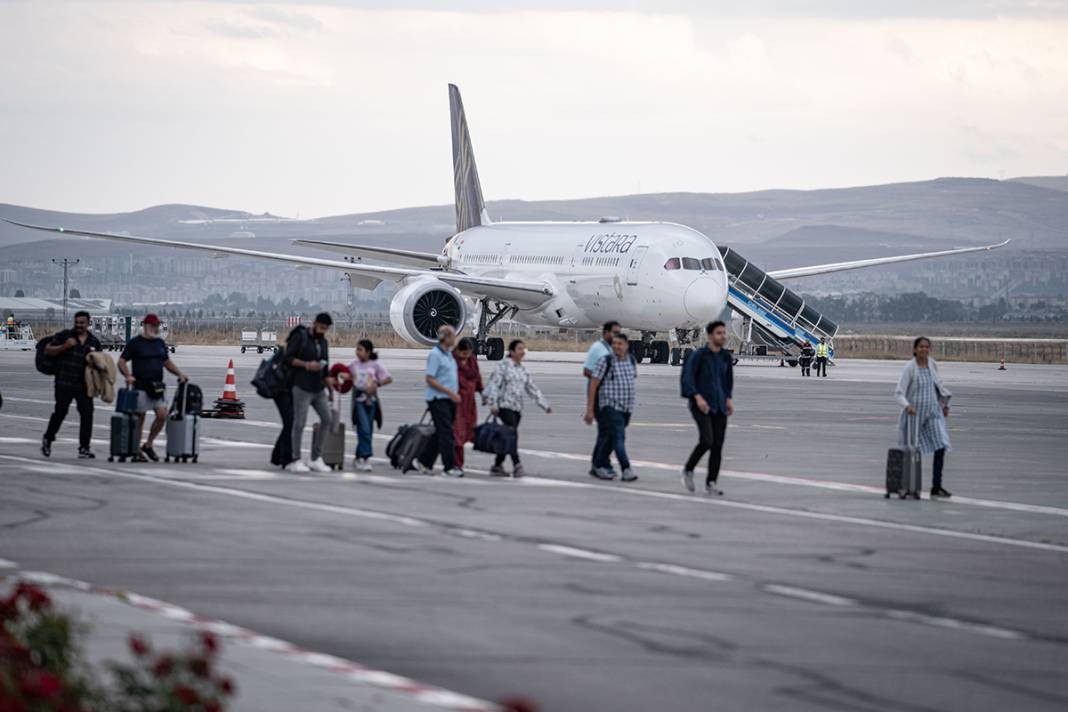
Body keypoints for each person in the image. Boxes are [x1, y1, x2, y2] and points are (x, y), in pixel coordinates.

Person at [117, 314, 188, 463]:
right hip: (141, 386)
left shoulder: (160, 343)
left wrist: (180, 373)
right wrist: (128, 375)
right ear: (145, 326)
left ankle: (148, 444)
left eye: (157, 326)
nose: (156, 329)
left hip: (157, 387)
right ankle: (136, 449)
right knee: (140, 417)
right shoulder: (135, 343)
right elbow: (122, 361)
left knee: (162, 415)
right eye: (153, 326)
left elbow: (166, 362)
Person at [679, 320, 734, 496]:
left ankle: (711, 482)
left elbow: (727, 380)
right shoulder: (699, 355)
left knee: (718, 445)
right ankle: (688, 469)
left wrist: (728, 399)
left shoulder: (725, 356)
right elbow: (688, 378)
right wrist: (697, 396)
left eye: (724, 333)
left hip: (719, 405)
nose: (723, 336)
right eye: (719, 333)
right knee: (707, 440)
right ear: (710, 336)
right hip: (700, 405)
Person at [483, 339, 551, 477]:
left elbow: (532, 389)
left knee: (507, 437)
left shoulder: (522, 369)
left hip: (516, 409)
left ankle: (497, 465)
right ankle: (517, 465)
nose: (522, 352)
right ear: (512, 351)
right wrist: (493, 404)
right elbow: (494, 385)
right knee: (512, 435)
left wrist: (544, 405)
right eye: (520, 349)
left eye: (523, 349)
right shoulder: (503, 366)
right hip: (504, 407)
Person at [895, 336, 953, 498]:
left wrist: (945, 405)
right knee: (913, 450)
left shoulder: (932, 365)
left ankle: (936, 486)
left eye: (927, 347)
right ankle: (910, 486)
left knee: (941, 444)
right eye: (921, 347)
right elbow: (899, 393)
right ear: (915, 349)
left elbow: (939, 387)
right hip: (914, 414)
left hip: (933, 412)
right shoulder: (909, 368)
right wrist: (907, 406)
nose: (924, 350)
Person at [41, 311, 103, 459]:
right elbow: (48, 350)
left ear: (88, 323)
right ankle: (48, 439)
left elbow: (100, 363)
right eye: (77, 322)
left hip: (84, 385)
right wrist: (64, 346)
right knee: (61, 412)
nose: (79, 325)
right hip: (64, 382)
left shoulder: (94, 342)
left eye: (82, 323)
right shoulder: (65, 336)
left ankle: (84, 448)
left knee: (87, 414)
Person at [283, 313, 337, 473]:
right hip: (301, 387)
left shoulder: (324, 342)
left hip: (319, 388)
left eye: (326, 329)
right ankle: (295, 459)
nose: (323, 331)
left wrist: (331, 389)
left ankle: (315, 458)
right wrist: (306, 365)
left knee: (327, 419)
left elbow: (326, 367)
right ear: (314, 324)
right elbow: (288, 358)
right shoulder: (300, 337)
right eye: (321, 327)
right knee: (299, 423)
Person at [585, 332, 638, 482]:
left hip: (626, 408)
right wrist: (590, 408)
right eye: (614, 344)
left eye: (619, 344)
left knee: (610, 437)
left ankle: (598, 464)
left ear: (627, 346)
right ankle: (626, 468)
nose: (616, 346)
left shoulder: (631, 361)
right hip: (609, 406)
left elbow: (630, 383)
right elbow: (594, 384)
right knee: (619, 437)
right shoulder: (605, 361)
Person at [416, 324, 464, 477]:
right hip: (438, 399)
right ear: (446, 338)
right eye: (453, 336)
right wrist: (450, 392)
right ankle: (448, 467)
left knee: (439, 433)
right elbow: (430, 379)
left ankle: (424, 462)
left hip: (449, 400)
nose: (455, 339)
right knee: (447, 434)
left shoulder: (448, 354)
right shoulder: (435, 355)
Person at [583, 321, 622, 478]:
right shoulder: (598, 349)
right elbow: (587, 371)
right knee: (609, 432)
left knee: (607, 432)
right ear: (605, 333)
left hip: (610, 397)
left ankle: (599, 463)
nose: (616, 335)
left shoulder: (611, 349)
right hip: (599, 396)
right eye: (614, 332)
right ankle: (600, 464)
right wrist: (590, 408)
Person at [349, 338, 392, 471]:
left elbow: (388, 378)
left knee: (367, 430)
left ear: (368, 352)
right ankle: (365, 458)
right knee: (364, 428)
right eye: (357, 349)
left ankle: (358, 456)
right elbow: (348, 376)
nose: (357, 352)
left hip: (371, 400)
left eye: (360, 350)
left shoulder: (375, 364)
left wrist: (377, 384)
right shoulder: (354, 364)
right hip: (358, 400)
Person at [452, 337, 483, 471]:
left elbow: (477, 379)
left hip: (469, 403)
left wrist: (484, 394)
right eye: (463, 354)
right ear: (458, 351)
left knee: (469, 431)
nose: (465, 356)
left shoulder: (472, 360)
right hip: (456, 402)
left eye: (468, 354)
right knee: (457, 434)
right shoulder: (451, 362)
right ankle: (457, 464)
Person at [269, 346, 294, 469]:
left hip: (290, 391)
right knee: (290, 422)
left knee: (290, 423)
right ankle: (284, 458)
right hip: (281, 391)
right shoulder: (289, 354)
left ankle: (277, 456)